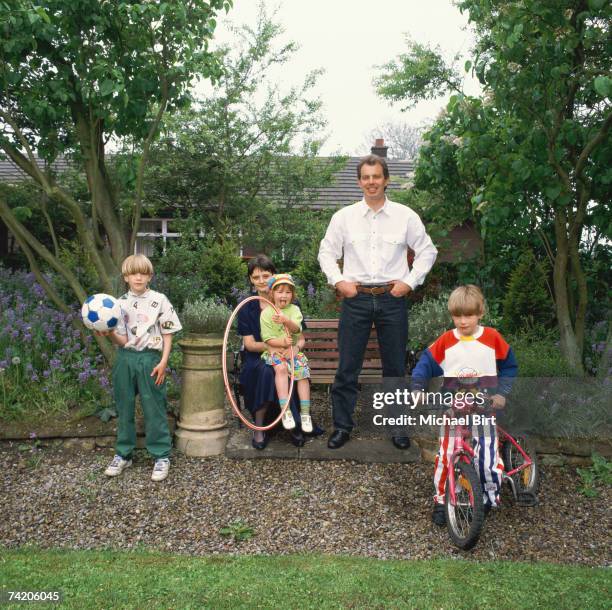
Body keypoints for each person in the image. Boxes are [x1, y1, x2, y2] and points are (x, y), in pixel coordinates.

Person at [318, 154, 437, 450]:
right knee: (347, 367)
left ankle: (397, 428)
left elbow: (427, 251)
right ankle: (343, 427)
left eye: (376, 176)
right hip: (356, 299)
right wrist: (339, 281)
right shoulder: (343, 218)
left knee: (395, 368)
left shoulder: (405, 216)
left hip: (391, 300)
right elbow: (325, 253)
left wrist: (409, 282)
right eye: (366, 177)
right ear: (359, 181)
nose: (371, 182)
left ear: (386, 179)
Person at [410, 285, 518, 525]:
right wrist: (418, 389)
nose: (462, 321)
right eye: (457, 316)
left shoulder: (492, 338)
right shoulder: (446, 341)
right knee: (447, 456)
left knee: (487, 459)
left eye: (468, 315)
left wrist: (502, 393)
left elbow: (510, 365)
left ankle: (487, 499)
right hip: (453, 408)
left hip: (484, 408)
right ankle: (442, 500)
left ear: (480, 313)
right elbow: (424, 365)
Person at [97, 254, 182, 482]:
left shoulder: (160, 300)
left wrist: (163, 361)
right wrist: (109, 333)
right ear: (126, 277)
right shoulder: (118, 304)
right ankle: (124, 454)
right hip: (126, 359)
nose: (138, 277)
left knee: (154, 407)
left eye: (143, 273)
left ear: (150, 276)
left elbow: (168, 332)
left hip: (151, 359)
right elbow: (123, 341)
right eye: (133, 273)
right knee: (124, 407)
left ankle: (161, 455)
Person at [237, 254, 321, 449]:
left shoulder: (291, 304)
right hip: (258, 356)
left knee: (286, 367)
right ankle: (259, 426)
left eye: (265, 276)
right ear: (250, 279)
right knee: (268, 370)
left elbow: (300, 338)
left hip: (287, 354)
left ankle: (294, 423)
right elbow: (249, 344)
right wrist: (276, 347)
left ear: (273, 275)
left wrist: (293, 348)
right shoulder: (247, 307)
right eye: (255, 277)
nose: (261, 281)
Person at [260, 274, 312, 433]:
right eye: (280, 291)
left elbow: (297, 329)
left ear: (293, 295)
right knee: (281, 369)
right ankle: (285, 411)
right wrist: (282, 343)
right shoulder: (266, 314)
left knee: (302, 375)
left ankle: (305, 414)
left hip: (293, 353)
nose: (284, 295)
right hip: (276, 352)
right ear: (272, 294)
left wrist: (286, 320)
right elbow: (267, 339)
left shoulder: (294, 309)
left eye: (288, 292)